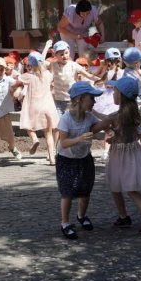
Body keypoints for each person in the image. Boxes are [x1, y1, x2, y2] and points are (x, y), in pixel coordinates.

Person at [105, 77, 141, 234]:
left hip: (120, 155)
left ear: (121, 94)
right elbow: (137, 135)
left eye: (115, 91)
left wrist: (88, 112)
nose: (113, 93)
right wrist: (117, 137)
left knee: (127, 187)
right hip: (133, 152)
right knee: (117, 186)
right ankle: (123, 217)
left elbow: (99, 124)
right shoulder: (133, 113)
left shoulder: (115, 116)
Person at [56, 81, 107, 240]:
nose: (94, 101)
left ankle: (81, 216)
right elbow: (63, 143)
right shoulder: (66, 119)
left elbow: (105, 122)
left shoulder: (89, 117)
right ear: (80, 99)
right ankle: (65, 223)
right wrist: (79, 138)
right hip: (66, 159)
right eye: (91, 98)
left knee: (85, 190)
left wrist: (110, 127)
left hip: (84, 158)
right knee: (67, 192)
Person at [15, 52, 59, 165]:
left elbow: (17, 80)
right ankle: (52, 158)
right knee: (49, 134)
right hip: (48, 107)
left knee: (29, 126)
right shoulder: (48, 74)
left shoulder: (29, 76)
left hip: (34, 106)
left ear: (30, 64)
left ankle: (35, 139)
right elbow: (42, 64)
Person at [93, 47, 124, 162]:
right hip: (112, 101)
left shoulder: (110, 73)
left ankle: (108, 151)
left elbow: (104, 83)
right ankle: (108, 151)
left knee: (111, 127)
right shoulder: (117, 73)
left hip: (113, 101)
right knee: (113, 127)